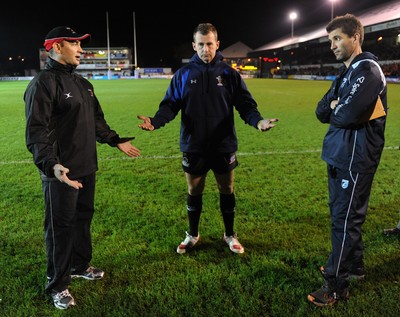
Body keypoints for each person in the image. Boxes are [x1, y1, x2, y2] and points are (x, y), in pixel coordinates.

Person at [24, 26, 141, 310]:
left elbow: (97, 121)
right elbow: (37, 132)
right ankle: (58, 284)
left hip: (87, 167)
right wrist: (52, 166)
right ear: (55, 47)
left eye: (80, 44)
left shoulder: (83, 84)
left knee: (82, 220)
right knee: (60, 228)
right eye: (74, 44)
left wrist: (115, 141)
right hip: (60, 173)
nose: (80, 49)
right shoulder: (43, 83)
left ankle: (79, 265)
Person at [137, 22, 278, 255]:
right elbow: (170, 106)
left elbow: (246, 106)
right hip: (194, 144)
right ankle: (192, 234)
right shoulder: (182, 75)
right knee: (194, 190)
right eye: (200, 44)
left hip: (223, 143)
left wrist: (258, 121)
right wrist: (155, 121)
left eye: (209, 44)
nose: (205, 49)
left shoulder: (230, 74)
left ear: (217, 44)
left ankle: (230, 235)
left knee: (227, 187)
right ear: (194, 45)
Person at [308, 14, 387, 307]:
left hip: (356, 158)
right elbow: (321, 111)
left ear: (355, 38)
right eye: (330, 40)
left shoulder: (368, 70)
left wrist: (336, 107)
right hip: (340, 154)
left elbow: (345, 115)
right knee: (344, 217)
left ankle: (335, 286)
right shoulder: (345, 73)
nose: (332, 45)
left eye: (337, 38)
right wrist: (334, 105)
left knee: (345, 220)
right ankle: (354, 267)